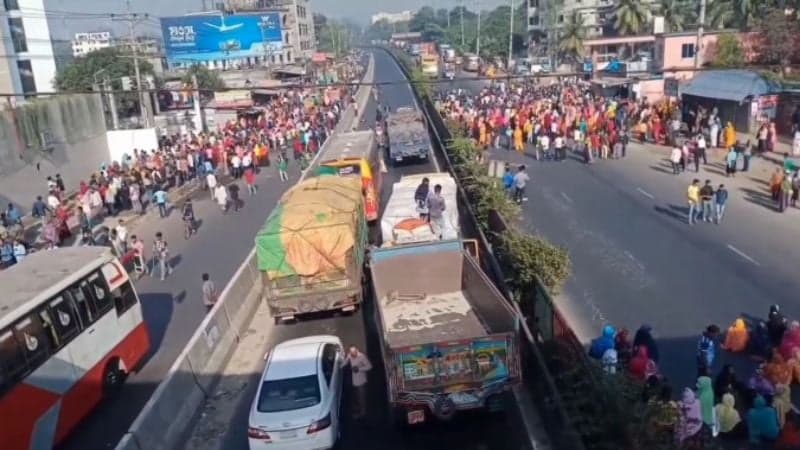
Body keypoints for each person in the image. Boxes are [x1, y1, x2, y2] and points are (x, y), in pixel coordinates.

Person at [343, 346, 372, 419]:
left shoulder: (362, 356)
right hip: (353, 381)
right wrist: (338, 366)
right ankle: (357, 410)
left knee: (361, 398)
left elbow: (369, 366)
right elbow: (344, 363)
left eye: (354, 353)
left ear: (357, 351)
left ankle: (363, 413)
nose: (353, 354)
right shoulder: (349, 356)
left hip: (360, 382)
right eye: (351, 353)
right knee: (355, 397)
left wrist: (359, 369)